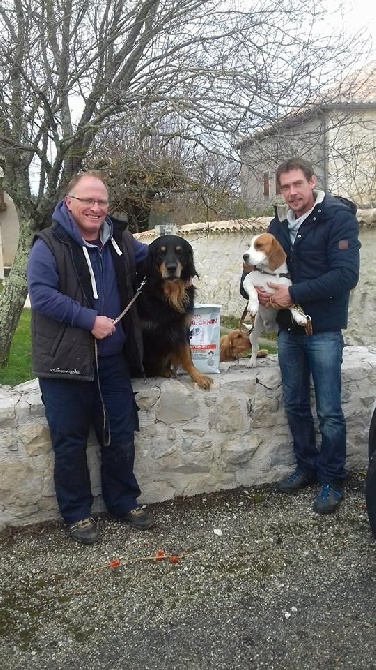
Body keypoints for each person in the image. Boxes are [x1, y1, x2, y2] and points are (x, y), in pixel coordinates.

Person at [27, 171, 154, 544]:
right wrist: (89, 320)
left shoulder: (120, 241)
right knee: (70, 442)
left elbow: (157, 260)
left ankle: (122, 501)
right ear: (70, 203)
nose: (96, 208)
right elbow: (42, 294)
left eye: (102, 202)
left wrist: (180, 263)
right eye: (88, 201)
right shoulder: (47, 245)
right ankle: (77, 513)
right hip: (64, 363)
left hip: (112, 361)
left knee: (120, 433)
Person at [241, 157, 361, 514]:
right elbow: (250, 267)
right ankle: (306, 467)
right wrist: (253, 292)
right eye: (285, 187)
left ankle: (331, 478)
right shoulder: (277, 226)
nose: (292, 193)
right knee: (294, 404)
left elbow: (345, 276)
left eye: (298, 184)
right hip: (288, 330)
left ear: (312, 182)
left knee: (328, 410)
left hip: (322, 327)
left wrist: (294, 294)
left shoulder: (337, 218)